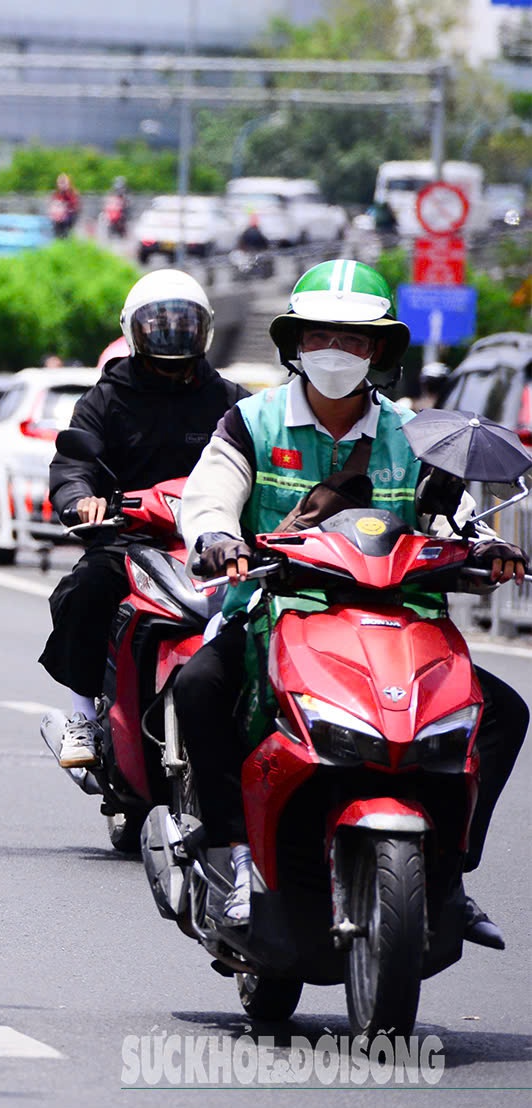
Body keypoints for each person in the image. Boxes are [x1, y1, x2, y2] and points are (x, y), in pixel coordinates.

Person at [175, 259, 526, 941]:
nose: (336, 352)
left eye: (355, 340)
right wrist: (218, 538)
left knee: (503, 714)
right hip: (275, 617)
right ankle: (233, 857)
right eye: (320, 337)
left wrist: (487, 551)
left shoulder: (415, 435)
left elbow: (452, 520)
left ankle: (448, 877)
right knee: (198, 687)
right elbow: (210, 498)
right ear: (295, 345)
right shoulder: (251, 422)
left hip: (399, 626)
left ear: (380, 351)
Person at [41, 269, 247, 768]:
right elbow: (72, 467)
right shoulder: (104, 399)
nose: (171, 332)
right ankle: (83, 715)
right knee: (84, 592)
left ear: (205, 329)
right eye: (158, 322)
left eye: (184, 322)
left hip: (213, 542)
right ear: (134, 328)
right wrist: (80, 499)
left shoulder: (232, 401)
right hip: (128, 539)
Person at [50, 173, 81, 238]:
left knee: (65, 228)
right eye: (60, 183)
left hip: (70, 215)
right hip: (58, 216)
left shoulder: (72, 193)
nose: (62, 185)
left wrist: (66, 208)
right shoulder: (57, 194)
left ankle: (65, 236)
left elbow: (75, 206)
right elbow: (54, 204)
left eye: (63, 183)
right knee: (56, 226)